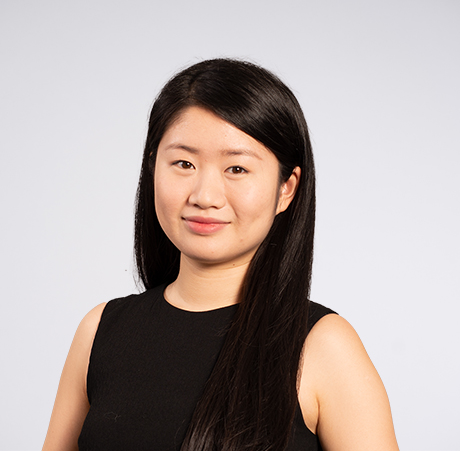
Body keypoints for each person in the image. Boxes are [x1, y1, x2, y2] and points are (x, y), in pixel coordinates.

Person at [42, 59, 399, 451]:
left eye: (237, 169)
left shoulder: (324, 346)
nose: (205, 196)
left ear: (286, 188)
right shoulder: (100, 331)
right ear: (152, 168)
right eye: (184, 163)